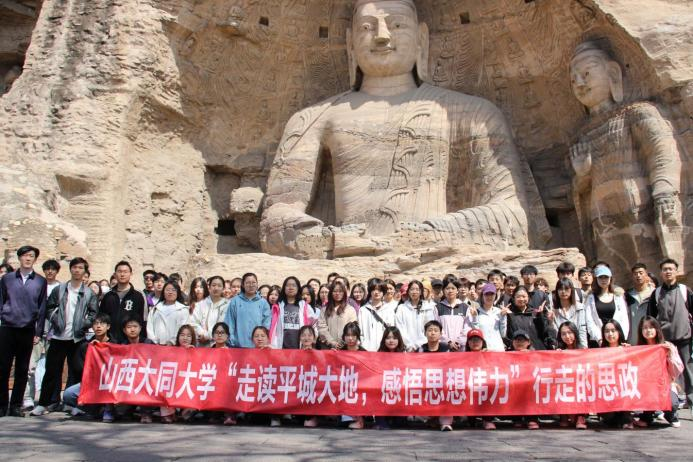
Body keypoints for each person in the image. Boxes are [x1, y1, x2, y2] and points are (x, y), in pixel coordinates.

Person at [30, 257, 98, 416]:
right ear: (70, 269)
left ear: (85, 271)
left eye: (80, 268)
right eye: (74, 267)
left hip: (77, 338)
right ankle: (44, 403)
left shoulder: (88, 293)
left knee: (77, 371)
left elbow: (94, 313)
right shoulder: (60, 289)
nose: (77, 270)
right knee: (51, 371)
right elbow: (49, 308)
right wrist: (56, 320)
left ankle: (74, 404)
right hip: (58, 336)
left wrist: (83, 324)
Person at [0, 245, 47, 417]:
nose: (28, 258)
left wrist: (38, 332)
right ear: (19, 258)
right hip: (7, 327)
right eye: (25, 255)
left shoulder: (40, 281)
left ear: (35, 259)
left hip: (27, 329)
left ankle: (15, 405)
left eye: (31, 256)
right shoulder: (7, 279)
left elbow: (42, 307)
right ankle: (2, 405)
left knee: (22, 369)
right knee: (3, 368)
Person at [647, 258, 693, 413]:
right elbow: (650, 318)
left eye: (671, 269)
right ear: (661, 272)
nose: (668, 272)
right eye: (665, 269)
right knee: (665, 372)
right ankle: (668, 402)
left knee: (688, 370)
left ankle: (691, 401)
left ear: (676, 271)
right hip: (664, 341)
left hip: (684, 337)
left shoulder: (685, 291)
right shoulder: (656, 293)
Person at [60, 313, 113, 421]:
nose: (98, 326)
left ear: (108, 326)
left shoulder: (115, 344)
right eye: (95, 324)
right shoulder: (85, 346)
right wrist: (91, 349)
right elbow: (80, 368)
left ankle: (107, 410)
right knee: (68, 394)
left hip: (109, 383)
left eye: (102, 324)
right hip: (91, 383)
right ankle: (91, 409)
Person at [634, 316, 683, 428]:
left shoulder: (666, 346)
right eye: (645, 328)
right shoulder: (638, 349)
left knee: (672, 403)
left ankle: (671, 415)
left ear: (657, 329)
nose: (648, 330)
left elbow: (676, 371)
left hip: (665, 386)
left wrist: (670, 355)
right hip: (647, 388)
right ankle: (646, 417)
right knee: (647, 393)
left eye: (651, 327)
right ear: (641, 331)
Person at [418, 320, 454, 431]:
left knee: (448, 391)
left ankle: (446, 422)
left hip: (443, 381)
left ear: (440, 333)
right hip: (425, 381)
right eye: (429, 330)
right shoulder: (421, 349)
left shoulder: (446, 349)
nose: (432, 333)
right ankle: (430, 418)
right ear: (425, 333)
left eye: (435, 330)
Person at [98, 260, 145, 343]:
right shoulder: (108, 296)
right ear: (115, 274)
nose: (122, 274)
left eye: (125, 272)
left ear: (131, 274)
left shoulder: (137, 296)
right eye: (119, 271)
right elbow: (102, 318)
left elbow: (140, 320)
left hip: (129, 340)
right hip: (110, 339)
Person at [598, 319, 633, 429]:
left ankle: (626, 418)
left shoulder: (627, 349)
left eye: (613, 331)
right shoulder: (599, 352)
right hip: (608, 390)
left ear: (619, 332)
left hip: (624, 389)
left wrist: (630, 352)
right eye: (607, 331)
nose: (610, 334)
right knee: (610, 418)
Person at [554, 321, 589, 429]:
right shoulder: (559, 351)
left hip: (579, 382)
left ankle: (580, 415)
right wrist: (556, 356)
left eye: (570, 333)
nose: (567, 336)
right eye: (563, 334)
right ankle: (563, 414)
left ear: (575, 333)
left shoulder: (583, 350)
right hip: (565, 383)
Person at [270, 276, 319, 349]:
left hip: (301, 347)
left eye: (294, 285)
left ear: (298, 288)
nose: (291, 288)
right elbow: (271, 327)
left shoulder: (305, 306)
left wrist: (310, 343)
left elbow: (314, 326)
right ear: (284, 288)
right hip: (280, 347)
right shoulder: (277, 307)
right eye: (288, 285)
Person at [224, 273, 271, 348]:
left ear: (257, 284)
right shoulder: (235, 301)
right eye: (248, 283)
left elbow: (266, 324)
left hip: (257, 346)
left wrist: (263, 341)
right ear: (243, 285)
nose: (251, 285)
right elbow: (230, 322)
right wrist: (231, 341)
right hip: (237, 346)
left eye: (253, 282)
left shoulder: (263, 303)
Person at [585, 265, 629, 342]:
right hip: (598, 340)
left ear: (610, 278)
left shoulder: (618, 297)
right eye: (600, 277)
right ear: (596, 279)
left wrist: (621, 337)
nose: (603, 280)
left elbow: (624, 319)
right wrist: (599, 338)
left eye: (606, 277)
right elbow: (590, 321)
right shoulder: (591, 298)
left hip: (617, 339)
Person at [551, 278, 598, 349]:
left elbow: (582, 329)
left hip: (578, 347)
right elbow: (555, 333)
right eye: (560, 289)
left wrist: (584, 348)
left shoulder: (580, 308)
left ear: (571, 290)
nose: (563, 292)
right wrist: (551, 321)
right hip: (561, 348)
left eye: (566, 289)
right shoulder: (554, 311)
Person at [506, 286, 554, 350]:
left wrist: (546, 319)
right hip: (517, 351)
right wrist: (509, 316)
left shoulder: (535, 313)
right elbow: (508, 335)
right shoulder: (509, 314)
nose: (521, 299)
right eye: (518, 296)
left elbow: (544, 332)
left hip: (536, 350)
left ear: (528, 297)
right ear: (513, 298)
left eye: (524, 296)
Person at [509, 330, 540, 429]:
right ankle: (517, 418)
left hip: (530, 385)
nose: (520, 342)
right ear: (513, 342)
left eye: (523, 340)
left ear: (528, 342)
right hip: (514, 384)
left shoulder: (535, 354)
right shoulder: (507, 355)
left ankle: (532, 418)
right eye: (517, 340)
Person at [395, 280, 436, 352]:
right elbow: (400, 328)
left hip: (423, 347)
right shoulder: (401, 308)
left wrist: (417, 345)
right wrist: (409, 345)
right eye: (412, 289)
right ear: (408, 291)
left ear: (421, 292)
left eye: (417, 289)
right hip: (406, 348)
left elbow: (429, 328)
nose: (414, 292)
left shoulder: (427, 307)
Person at [339, 321, 366, 429]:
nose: (350, 338)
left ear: (357, 336)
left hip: (359, 388)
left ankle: (359, 419)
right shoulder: (339, 352)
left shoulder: (364, 353)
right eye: (348, 335)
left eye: (353, 335)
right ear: (344, 336)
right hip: (343, 389)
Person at [189, 276, 229, 346]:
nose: (216, 288)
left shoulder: (227, 305)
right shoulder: (200, 304)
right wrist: (202, 334)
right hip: (202, 344)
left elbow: (225, 323)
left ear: (223, 288)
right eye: (213, 285)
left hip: (220, 344)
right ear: (209, 287)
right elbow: (193, 322)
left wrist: (207, 336)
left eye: (219, 286)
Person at [209, 322, 236, 425]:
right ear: (213, 336)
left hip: (227, 382)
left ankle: (229, 415)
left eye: (222, 333)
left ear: (227, 336)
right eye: (217, 333)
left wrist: (228, 354)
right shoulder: (207, 351)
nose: (219, 335)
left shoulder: (233, 351)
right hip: (211, 381)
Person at [468, 283, 508, 351]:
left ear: (495, 296)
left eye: (492, 294)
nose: (489, 297)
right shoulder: (476, 311)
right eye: (486, 294)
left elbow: (503, 334)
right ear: (482, 296)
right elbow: (476, 333)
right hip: (484, 350)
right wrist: (474, 318)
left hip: (498, 349)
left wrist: (503, 317)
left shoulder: (499, 311)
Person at [436, 275, 472, 351]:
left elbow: (467, 327)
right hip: (443, 348)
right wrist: (448, 342)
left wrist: (458, 342)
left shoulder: (465, 307)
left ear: (457, 290)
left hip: (461, 348)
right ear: (443, 290)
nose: (450, 291)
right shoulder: (438, 307)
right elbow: (437, 327)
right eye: (447, 288)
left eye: (453, 288)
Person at [359, 279, 397, 352]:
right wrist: (364, 345)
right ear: (370, 291)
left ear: (383, 292)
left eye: (379, 290)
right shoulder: (363, 310)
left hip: (385, 350)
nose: (376, 292)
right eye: (374, 289)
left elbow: (392, 331)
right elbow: (361, 332)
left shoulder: (389, 310)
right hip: (367, 350)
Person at [147, 282, 189, 346]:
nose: (170, 292)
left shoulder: (183, 310)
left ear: (178, 293)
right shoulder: (155, 309)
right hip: (156, 346)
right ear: (163, 292)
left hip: (175, 346)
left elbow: (183, 329)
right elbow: (149, 328)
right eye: (167, 290)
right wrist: (154, 342)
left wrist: (172, 342)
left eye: (173, 290)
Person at [317, 281, 357, 349]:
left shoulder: (350, 309)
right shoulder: (324, 310)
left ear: (344, 293)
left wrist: (342, 343)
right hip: (327, 347)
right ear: (331, 293)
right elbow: (322, 328)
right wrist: (332, 342)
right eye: (335, 291)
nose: (337, 293)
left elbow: (352, 328)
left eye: (340, 291)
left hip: (345, 347)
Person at [626, 263, 655, 345]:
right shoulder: (628, 295)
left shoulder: (655, 293)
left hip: (651, 338)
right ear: (632, 276)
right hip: (634, 339)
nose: (638, 276)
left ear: (646, 275)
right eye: (635, 274)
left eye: (641, 273)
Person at [299, 325, 319, 428]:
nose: (306, 338)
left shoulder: (320, 353)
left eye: (309, 335)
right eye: (303, 335)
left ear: (314, 338)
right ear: (299, 338)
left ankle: (314, 416)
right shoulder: (294, 353)